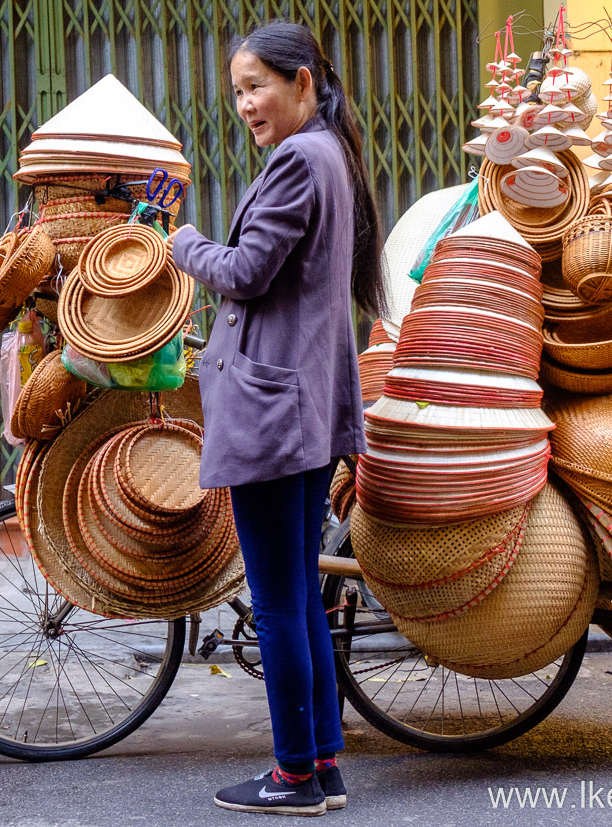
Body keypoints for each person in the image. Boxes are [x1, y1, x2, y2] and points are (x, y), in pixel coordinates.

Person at [169, 21, 383, 817]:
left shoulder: (299, 160)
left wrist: (183, 242)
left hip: (270, 412)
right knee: (297, 598)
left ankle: (293, 773)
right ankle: (322, 764)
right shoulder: (328, 153)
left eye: (257, 85)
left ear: (302, 82)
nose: (246, 104)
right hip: (301, 408)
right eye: (236, 91)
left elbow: (248, 272)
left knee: (278, 600)